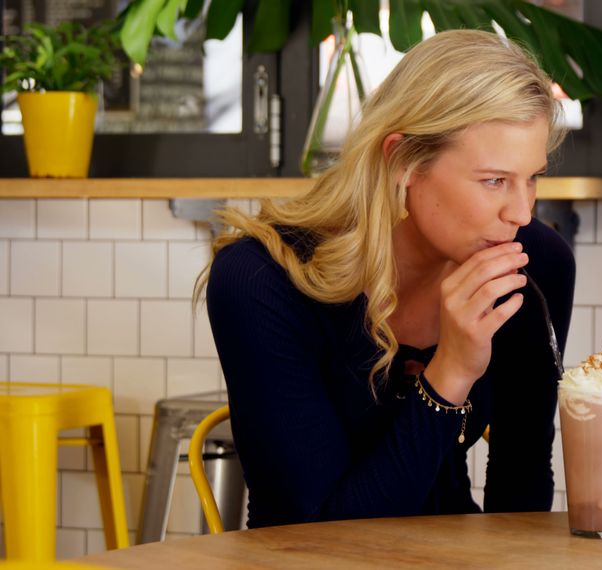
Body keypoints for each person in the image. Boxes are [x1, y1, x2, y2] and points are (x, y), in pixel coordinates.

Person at [201, 30, 574, 528]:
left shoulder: (535, 263)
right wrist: (451, 375)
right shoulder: (261, 280)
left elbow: (521, 486)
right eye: (494, 181)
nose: (523, 212)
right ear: (403, 161)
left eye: (533, 178)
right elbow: (316, 532)